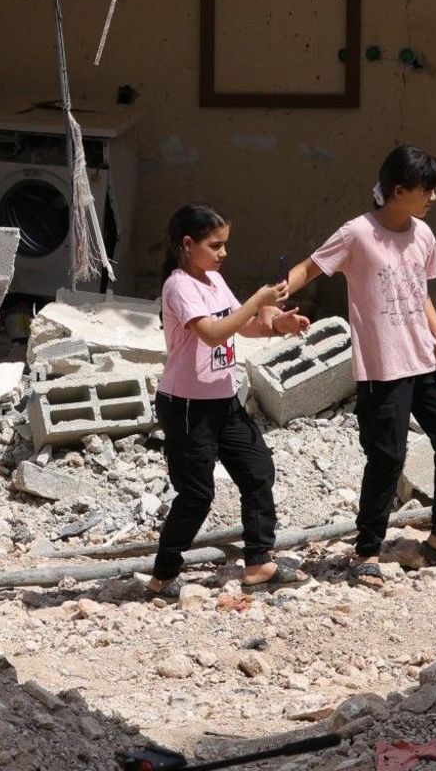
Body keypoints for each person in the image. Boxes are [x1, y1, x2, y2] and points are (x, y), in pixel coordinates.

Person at [282, 146, 436, 589]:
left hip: (424, 358)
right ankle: (367, 549)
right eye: (427, 190)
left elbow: (418, 291)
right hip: (382, 367)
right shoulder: (356, 234)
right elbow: (309, 269)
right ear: (398, 191)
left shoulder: (423, 234)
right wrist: (270, 301)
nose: (433, 198)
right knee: (387, 457)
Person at [147, 202, 312, 597]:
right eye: (215, 245)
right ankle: (163, 573)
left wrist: (277, 326)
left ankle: (258, 561)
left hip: (224, 399)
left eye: (225, 244)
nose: (224, 253)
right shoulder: (179, 286)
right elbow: (213, 333)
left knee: (258, 471)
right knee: (197, 494)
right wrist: (258, 301)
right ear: (188, 244)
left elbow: (240, 325)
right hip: (187, 405)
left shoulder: (212, 280)